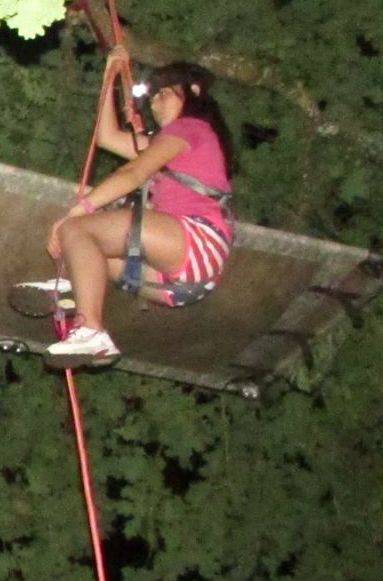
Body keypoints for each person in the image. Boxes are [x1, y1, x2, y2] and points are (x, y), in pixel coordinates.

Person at [36, 58, 235, 366]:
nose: (155, 104)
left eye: (164, 93)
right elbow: (107, 138)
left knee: (78, 230)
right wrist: (110, 77)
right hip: (182, 282)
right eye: (152, 98)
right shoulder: (172, 141)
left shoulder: (191, 128)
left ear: (193, 91)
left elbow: (134, 173)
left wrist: (78, 212)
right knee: (87, 249)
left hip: (195, 242)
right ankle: (75, 287)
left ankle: (91, 329)